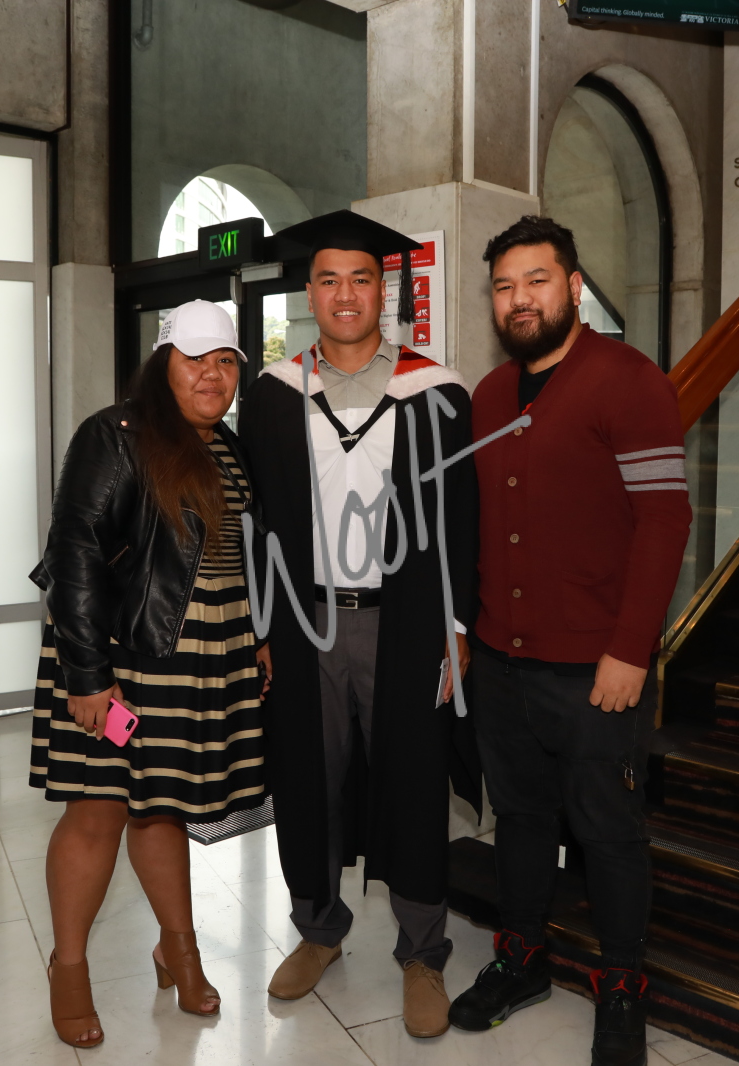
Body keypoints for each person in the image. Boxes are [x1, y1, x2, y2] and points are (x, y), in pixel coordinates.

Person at [449, 216, 691, 1066]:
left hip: (596, 667)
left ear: (574, 286)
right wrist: (464, 630)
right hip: (503, 661)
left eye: (537, 281)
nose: (520, 299)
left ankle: (622, 985)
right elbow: (477, 526)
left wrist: (631, 649)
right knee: (518, 818)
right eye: (504, 286)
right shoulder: (487, 396)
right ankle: (521, 958)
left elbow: (664, 520)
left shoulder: (629, 380)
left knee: (608, 829)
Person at [239, 210, 479, 1039]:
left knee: (414, 777)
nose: (346, 295)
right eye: (329, 280)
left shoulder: (437, 391)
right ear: (309, 294)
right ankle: (318, 929)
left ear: (387, 290)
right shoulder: (271, 397)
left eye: (362, 279)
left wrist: (456, 625)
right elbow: (257, 521)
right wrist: (261, 625)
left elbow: (459, 518)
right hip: (302, 621)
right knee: (306, 776)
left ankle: (423, 951)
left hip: (403, 623)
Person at [27, 300, 271, 1048]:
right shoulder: (116, 433)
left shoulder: (228, 446)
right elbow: (74, 547)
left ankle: (178, 950)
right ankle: (69, 969)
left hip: (204, 654)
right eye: (195, 359)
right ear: (164, 362)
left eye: (226, 361)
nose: (212, 374)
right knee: (98, 811)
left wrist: (259, 636)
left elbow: (238, 553)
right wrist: (87, 675)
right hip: (120, 654)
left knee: (163, 808)